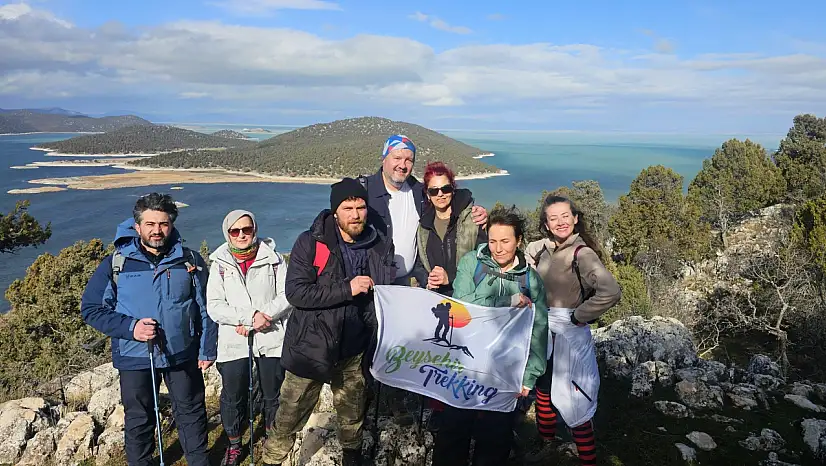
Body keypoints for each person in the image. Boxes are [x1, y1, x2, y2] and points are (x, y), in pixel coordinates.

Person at [264, 178, 396, 466]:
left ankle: (352, 459)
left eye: (360, 207)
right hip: (311, 348)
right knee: (289, 415)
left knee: (352, 416)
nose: (355, 214)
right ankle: (272, 459)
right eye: (347, 207)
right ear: (335, 211)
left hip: (354, 348)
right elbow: (297, 293)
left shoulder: (378, 244)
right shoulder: (311, 242)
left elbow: (386, 289)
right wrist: (347, 288)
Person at [80, 193, 217, 466]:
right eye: (150, 224)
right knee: (139, 418)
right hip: (135, 356)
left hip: (182, 353)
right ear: (137, 226)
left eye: (164, 224)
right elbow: (92, 309)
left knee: (191, 412)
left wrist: (207, 348)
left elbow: (207, 307)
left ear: (172, 224)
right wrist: (131, 328)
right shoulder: (115, 264)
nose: (157, 230)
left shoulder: (189, 260)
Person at [431, 205, 549, 466]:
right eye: (493, 240)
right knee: (452, 435)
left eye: (505, 241)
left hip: (504, 371)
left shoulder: (531, 280)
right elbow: (462, 305)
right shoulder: (472, 262)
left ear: (519, 241)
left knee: (495, 441)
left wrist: (529, 375)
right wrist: (506, 300)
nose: (498, 248)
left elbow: (539, 330)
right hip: (465, 365)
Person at [525, 195, 621, 466]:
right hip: (544, 333)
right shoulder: (547, 248)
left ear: (575, 218)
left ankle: (587, 460)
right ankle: (547, 445)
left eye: (565, 216)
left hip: (567, 334)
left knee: (574, 398)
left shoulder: (582, 253)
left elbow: (611, 292)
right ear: (546, 224)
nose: (560, 222)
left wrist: (580, 315)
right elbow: (529, 254)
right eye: (553, 218)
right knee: (543, 391)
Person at [206, 210, 293, 466]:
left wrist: (261, 317)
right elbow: (214, 306)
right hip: (235, 339)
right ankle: (234, 443)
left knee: (272, 392)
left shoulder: (274, 259)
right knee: (233, 395)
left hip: (271, 336)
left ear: (255, 229)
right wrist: (249, 317)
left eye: (247, 229)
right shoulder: (219, 263)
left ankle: (271, 437)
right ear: (227, 234)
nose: (242, 235)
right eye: (235, 231)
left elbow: (287, 295)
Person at [415, 161, 487, 430]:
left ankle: (476, 412)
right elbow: (418, 265)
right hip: (440, 302)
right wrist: (427, 279)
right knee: (441, 356)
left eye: (445, 188)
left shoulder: (473, 219)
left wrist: (452, 277)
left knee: (470, 359)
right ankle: (440, 409)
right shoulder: (423, 226)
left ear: (453, 189)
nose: (440, 195)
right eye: (434, 191)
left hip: (471, 303)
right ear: (427, 194)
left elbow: (486, 264)